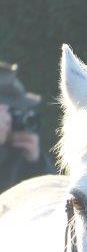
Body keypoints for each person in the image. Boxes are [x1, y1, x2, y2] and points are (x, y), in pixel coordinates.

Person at [0, 61, 53, 193]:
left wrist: (36, 163)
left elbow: (49, 199)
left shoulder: (15, 150)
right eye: (8, 111)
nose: (9, 119)